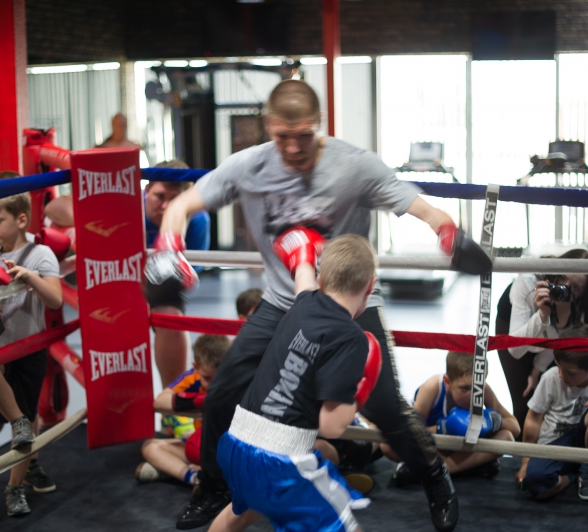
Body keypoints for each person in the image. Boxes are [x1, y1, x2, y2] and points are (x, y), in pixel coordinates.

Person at [152, 80, 491, 531]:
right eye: (282, 137)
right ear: (269, 127)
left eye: (303, 136)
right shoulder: (248, 166)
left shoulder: (354, 165)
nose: (293, 147)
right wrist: (169, 243)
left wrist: (447, 232)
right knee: (222, 394)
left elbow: (423, 208)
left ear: (319, 124)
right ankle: (213, 487)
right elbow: (181, 206)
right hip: (281, 303)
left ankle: (435, 477)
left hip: (352, 305)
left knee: (385, 406)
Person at [208, 233, 382, 532]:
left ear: (321, 280)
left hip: (234, 443)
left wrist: (303, 255)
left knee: (242, 512)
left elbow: (303, 275)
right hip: (282, 460)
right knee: (344, 526)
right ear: (371, 285)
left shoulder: (303, 302)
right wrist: (360, 391)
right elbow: (332, 427)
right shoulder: (350, 338)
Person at [45, 160, 210, 391]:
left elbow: (184, 276)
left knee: (171, 317)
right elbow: (53, 208)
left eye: (174, 200)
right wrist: (88, 216)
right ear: (146, 190)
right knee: (116, 317)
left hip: (159, 282)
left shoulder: (197, 219)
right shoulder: (128, 204)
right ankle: (117, 398)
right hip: (115, 276)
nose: (165, 206)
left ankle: (172, 398)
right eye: (159, 196)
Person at [0, 192, 63, 517]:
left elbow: (55, 300)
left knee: (23, 427)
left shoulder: (40, 254)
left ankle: (14, 488)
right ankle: (18, 422)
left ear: (22, 220)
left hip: (28, 345)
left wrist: (29, 276)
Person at [496, 248, 588, 432]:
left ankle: (549, 445)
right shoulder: (528, 282)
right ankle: (524, 449)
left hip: (550, 343)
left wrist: (537, 369)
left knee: (547, 399)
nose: (564, 287)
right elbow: (515, 350)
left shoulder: (582, 307)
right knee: (522, 403)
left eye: (575, 288)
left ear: (584, 294)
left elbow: (558, 339)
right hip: (514, 330)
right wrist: (542, 315)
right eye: (562, 277)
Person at [515, 325, 588, 502]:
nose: (562, 375)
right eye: (558, 367)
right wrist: (526, 461)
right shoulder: (551, 377)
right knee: (537, 486)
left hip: (585, 441)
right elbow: (533, 418)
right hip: (553, 444)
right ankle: (574, 475)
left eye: (570, 372)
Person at [393, 351, 518, 483]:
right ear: (447, 382)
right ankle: (469, 468)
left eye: (478, 388)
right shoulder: (433, 388)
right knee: (389, 446)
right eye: (465, 388)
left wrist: (491, 420)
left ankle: (442, 469)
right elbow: (410, 432)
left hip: (462, 449)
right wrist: (443, 428)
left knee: (506, 438)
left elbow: (515, 428)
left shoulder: (484, 390)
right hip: (436, 449)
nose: (472, 395)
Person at [137, 335, 231, 486]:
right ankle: (196, 478)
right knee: (150, 447)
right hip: (201, 446)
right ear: (196, 367)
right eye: (207, 378)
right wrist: (203, 400)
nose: (214, 384)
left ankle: (173, 470)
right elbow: (159, 402)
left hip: (229, 450)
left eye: (219, 377)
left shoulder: (236, 377)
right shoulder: (192, 377)